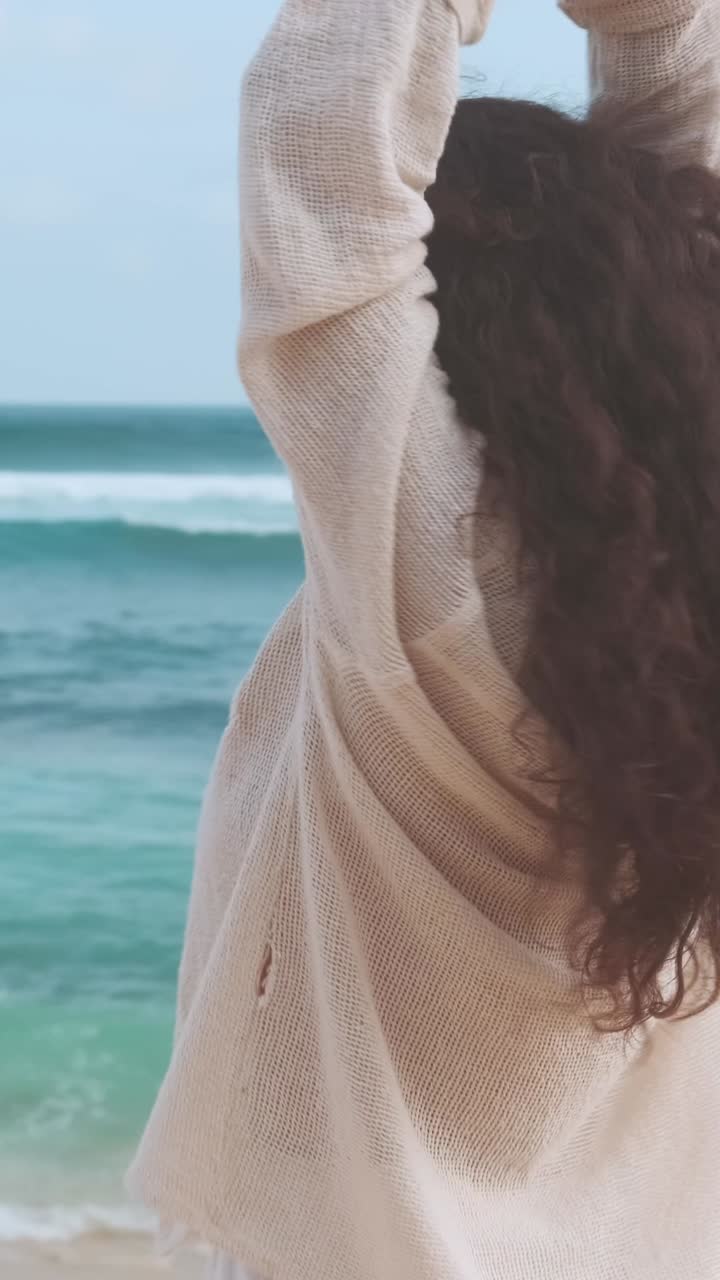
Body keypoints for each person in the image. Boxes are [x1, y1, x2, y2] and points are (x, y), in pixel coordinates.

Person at [128, 0, 720, 1276]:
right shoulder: (684, 601)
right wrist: (659, 23)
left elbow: (327, 198)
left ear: (459, 322)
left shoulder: (435, 578)